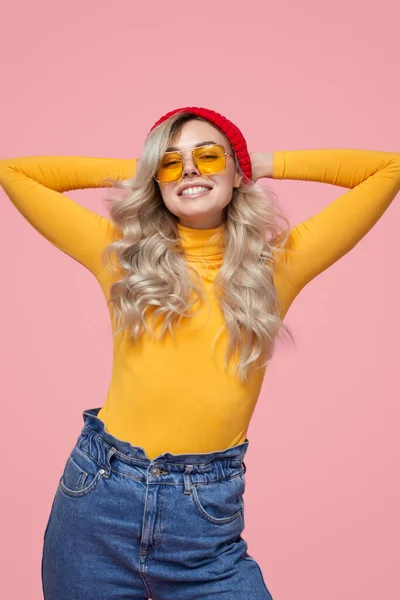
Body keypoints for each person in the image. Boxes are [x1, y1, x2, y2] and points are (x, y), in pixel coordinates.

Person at [1, 106, 399, 600]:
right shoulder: (121, 255)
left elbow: (389, 169)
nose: (189, 169)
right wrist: (145, 169)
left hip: (205, 524)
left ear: (236, 170)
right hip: (96, 506)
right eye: (170, 163)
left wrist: (257, 160)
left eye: (208, 156)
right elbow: (13, 172)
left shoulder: (277, 267)